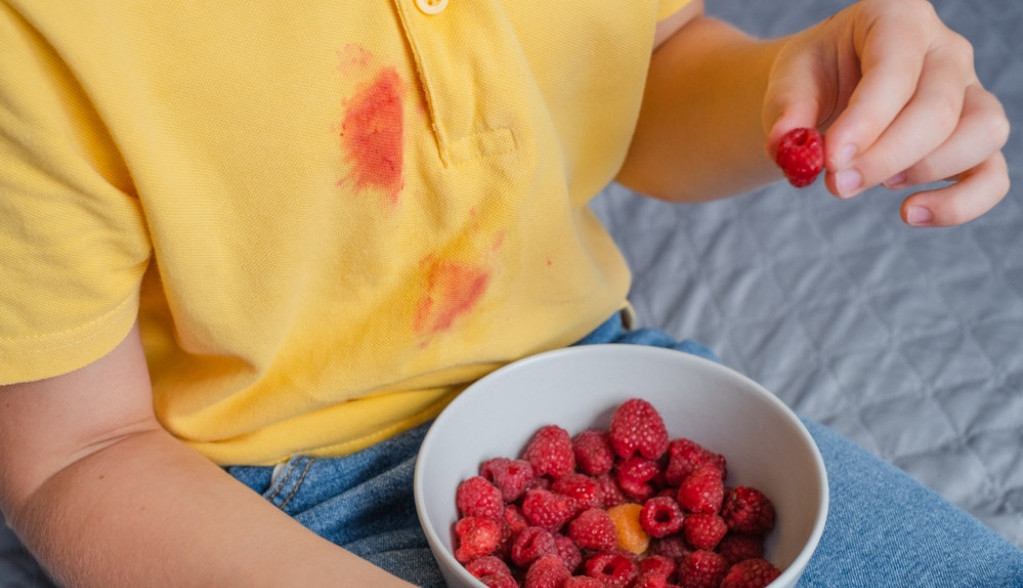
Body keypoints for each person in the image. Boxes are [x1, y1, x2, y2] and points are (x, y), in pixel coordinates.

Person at [0, 0, 1017, 586]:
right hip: (254, 507)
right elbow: (72, 454)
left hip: (593, 390)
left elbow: (646, 66)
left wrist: (794, 87)